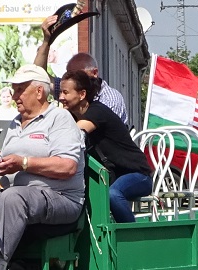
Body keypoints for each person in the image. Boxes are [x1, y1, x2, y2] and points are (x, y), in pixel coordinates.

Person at [0, 63, 85, 270]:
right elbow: (9, 163)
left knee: (13, 197)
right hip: (21, 196)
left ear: (39, 91)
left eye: (20, 89)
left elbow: (68, 166)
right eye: (14, 90)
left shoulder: (59, 118)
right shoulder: (15, 123)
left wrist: (24, 163)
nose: (14, 95)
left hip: (61, 197)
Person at [57, 69, 151, 222]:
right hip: (110, 178)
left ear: (82, 94)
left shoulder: (97, 112)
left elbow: (73, 135)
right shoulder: (73, 116)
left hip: (138, 176)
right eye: (60, 92)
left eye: (65, 93)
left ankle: (129, 235)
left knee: (113, 194)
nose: (61, 97)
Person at [33, 11, 129, 125]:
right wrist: (46, 41)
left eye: (78, 76)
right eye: (69, 75)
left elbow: (87, 132)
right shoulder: (72, 90)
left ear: (94, 73)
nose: (72, 80)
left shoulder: (110, 99)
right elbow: (39, 75)